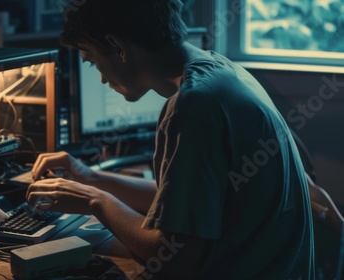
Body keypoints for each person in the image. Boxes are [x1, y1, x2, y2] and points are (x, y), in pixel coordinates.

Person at [26, 0, 315, 278]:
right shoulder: (221, 70)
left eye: (92, 61)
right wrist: (90, 177)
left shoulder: (193, 107)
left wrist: (96, 201)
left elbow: (174, 261)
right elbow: (185, 205)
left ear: (117, 47)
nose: (100, 78)